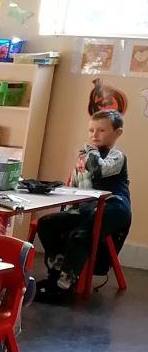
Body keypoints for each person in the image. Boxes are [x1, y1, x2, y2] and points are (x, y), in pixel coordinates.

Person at [37, 109, 131, 303]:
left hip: (114, 206)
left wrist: (91, 153)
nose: (94, 135)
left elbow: (99, 170)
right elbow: (77, 187)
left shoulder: (117, 156)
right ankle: (57, 272)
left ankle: (64, 286)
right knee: (47, 223)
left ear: (117, 133)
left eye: (101, 130)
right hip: (88, 207)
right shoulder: (85, 156)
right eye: (91, 130)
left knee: (81, 234)